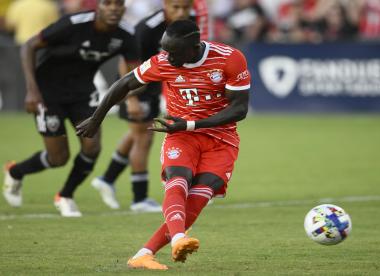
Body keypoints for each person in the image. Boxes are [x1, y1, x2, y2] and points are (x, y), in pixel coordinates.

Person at [76, 19, 250, 269]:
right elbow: (124, 83)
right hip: (180, 136)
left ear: (193, 47)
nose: (168, 56)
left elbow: (239, 109)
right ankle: (179, 237)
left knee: (198, 199)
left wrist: (191, 124)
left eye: (174, 52)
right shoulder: (164, 61)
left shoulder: (229, 59)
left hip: (221, 140)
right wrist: (96, 118)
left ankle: (143, 255)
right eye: (165, 49)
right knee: (177, 180)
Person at [2, 0, 139, 217]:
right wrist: (32, 90)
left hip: (83, 93)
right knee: (59, 158)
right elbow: (29, 45)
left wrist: (129, 96)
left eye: (119, 4)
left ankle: (66, 195)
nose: (114, 8)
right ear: (98, 6)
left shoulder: (126, 33)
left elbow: (135, 72)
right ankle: (15, 171)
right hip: (48, 92)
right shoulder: (73, 23)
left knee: (92, 146)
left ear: (124, 8)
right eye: (108, 3)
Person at [91, 0, 210, 212]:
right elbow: (126, 61)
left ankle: (107, 179)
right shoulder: (147, 28)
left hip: (154, 86)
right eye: (176, 7)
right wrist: (131, 98)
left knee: (137, 134)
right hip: (136, 87)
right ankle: (139, 198)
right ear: (165, 5)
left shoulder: (188, 25)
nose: (182, 12)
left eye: (186, 7)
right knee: (144, 139)